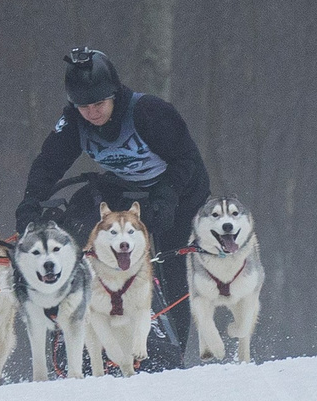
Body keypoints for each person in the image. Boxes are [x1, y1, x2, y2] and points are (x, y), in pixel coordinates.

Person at [14, 47, 210, 368]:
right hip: (126, 190)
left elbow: (186, 158)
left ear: (114, 95)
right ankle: (80, 332)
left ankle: (170, 354)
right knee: (79, 225)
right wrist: (30, 205)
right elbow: (48, 166)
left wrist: (166, 197)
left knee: (169, 266)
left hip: (181, 190)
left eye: (98, 104)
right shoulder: (74, 122)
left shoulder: (149, 113)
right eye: (83, 106)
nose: (91, 113)